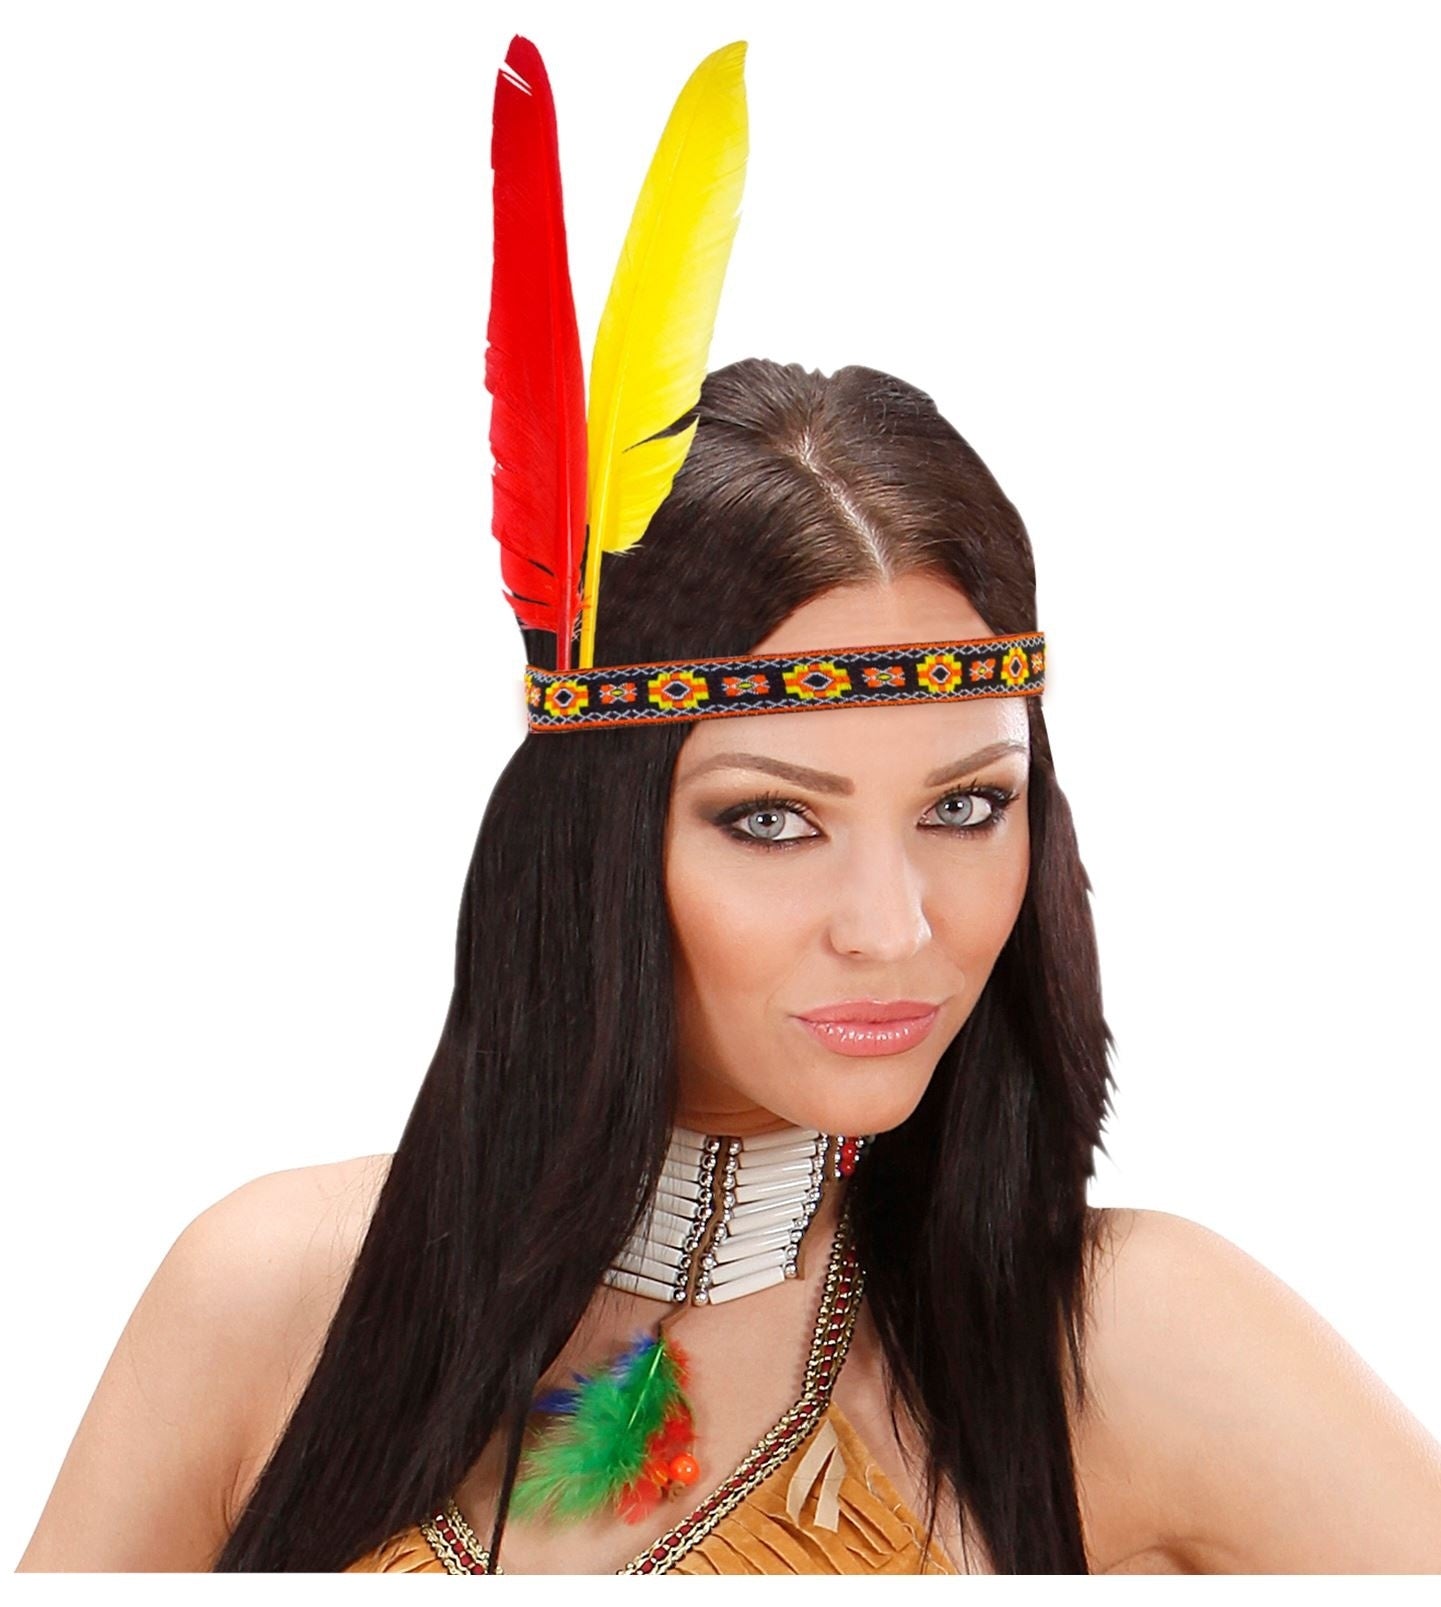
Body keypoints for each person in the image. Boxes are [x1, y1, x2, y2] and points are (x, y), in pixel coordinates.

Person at [15, 355, 1441, 1575]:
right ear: (589, 848)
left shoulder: (1125, 1343)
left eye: (964, 807)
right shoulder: (266, 1300)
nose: (891, 925)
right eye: (771, 820)